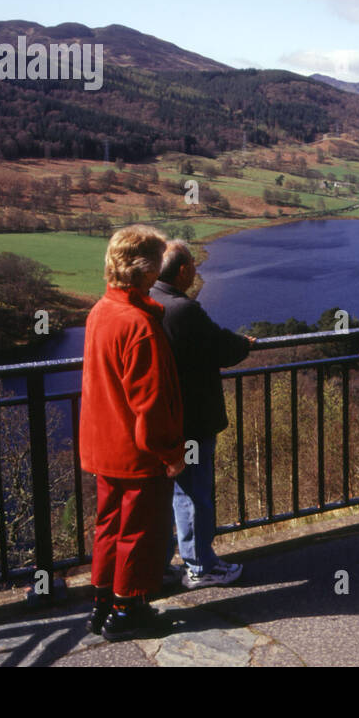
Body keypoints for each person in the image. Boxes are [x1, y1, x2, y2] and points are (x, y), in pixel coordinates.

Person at [80, 225, 186, 641]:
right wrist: (170, 452)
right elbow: (151, 403)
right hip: (136, 450)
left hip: (103, 444)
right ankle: (128, 612)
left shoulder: (100, 311)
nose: (162, 268)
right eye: (158, 261)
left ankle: (103, 602)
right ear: (144, 269)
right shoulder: (138, 325)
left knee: (109, 525)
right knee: (140, 531)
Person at [152, 239, 253, 588]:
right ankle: (200, 566)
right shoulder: (183, 309)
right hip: (192, 418)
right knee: (194, 491)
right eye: (193, 264)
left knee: (163, 493)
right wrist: (246, 344)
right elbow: (223, 347)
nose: (197, 269)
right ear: (183, 271)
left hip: (157, 417)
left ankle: (160, 565)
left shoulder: (148, 300)